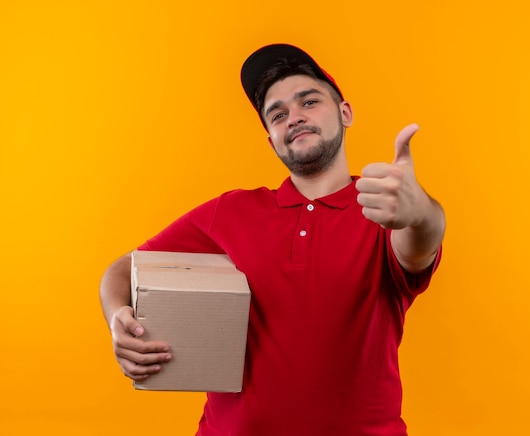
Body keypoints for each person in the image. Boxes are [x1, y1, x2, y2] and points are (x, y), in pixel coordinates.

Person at [100, 43, 446, 436]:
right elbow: (122, 269)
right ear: (272, 140)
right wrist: (117, 318)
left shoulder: (384, 211)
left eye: (309, 102)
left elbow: (421, 241)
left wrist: (420, 213)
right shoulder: (230, 212)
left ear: (345, 113)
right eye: (277, 115)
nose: (293, 118)